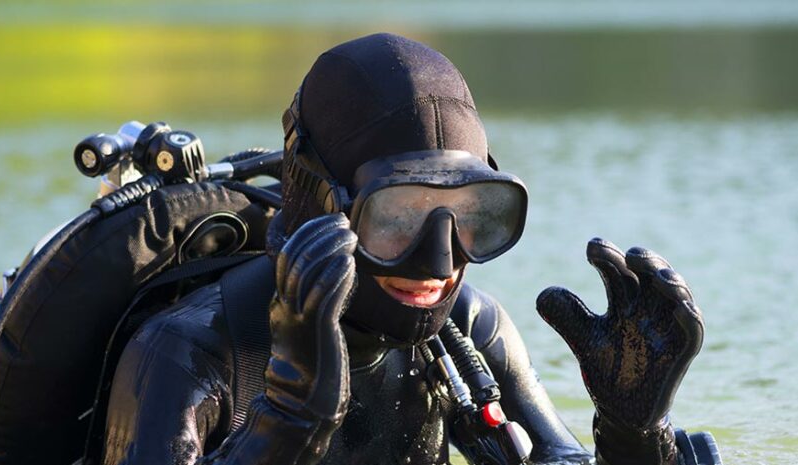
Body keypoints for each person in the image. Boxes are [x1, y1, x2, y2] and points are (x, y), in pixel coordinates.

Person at [101, 33, 719, 465]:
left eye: (476, 216)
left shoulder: (470, 332)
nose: (440, 261)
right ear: (325, 202)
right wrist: (289, 413)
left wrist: (632, 435)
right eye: (398, 216)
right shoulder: (189, 355)